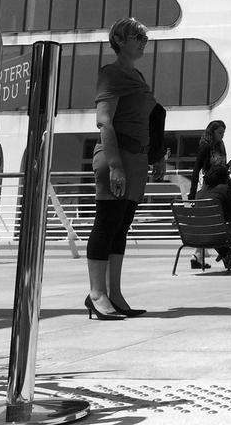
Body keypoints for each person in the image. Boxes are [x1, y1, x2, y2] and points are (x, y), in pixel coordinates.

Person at [85, 17, 165, 321]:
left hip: (137, 158)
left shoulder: (137, 76)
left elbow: (149, 119)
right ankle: (97, 294)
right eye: (136, 37)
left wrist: (156, 155)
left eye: (144, 38)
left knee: (121, 226)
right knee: (107, 223)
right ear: (119, 40)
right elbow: (104, 120)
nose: (143, 42)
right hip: (116, 155)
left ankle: (113, 292)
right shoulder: (112, 73)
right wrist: (116, 166)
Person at [188, 119, 231, 269]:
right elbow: (196, 170)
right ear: (212, 132)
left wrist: (229, 165)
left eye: (224, 132)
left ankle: (197, 256)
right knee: (214, 222)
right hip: (209, 187)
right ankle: (226, 254)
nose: (222, 135)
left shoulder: (220, 146)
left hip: (221, 185)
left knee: (209, 223)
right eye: (220, 132)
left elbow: (220, 168)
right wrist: (192, 194)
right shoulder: (206, 146)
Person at [195, 164, 231, 270]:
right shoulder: (224, 189)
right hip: (219, 235)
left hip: (198, 236)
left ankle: (226, 254)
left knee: (214, 227)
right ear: (224, 177)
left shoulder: (199, 194)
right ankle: (227, 253)